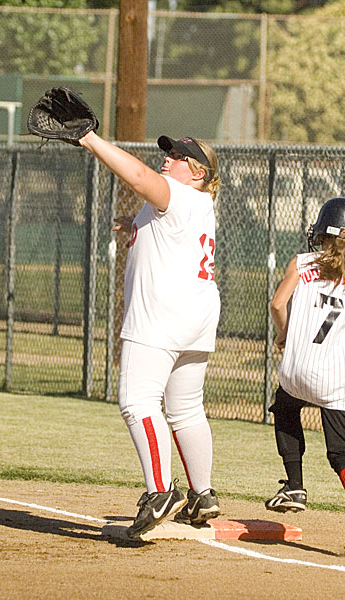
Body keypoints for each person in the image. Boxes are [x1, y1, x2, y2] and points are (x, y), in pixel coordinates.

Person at [78, 131, 222, 538]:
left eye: (179, 156)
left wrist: (90, 139)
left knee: (137, 401)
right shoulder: (197, 203)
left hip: (160, 315)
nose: (168, 159)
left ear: (198, 173)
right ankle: (202, 495)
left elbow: (139, 177)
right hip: (196, 315)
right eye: (169, 152)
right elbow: (168, 229)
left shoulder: (179, 195)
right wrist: (135, 224)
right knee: (185, 408)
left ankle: (161, 491)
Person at [265, 197, 345, 558]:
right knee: (341, 452)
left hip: (297, 370)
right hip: (339, 380)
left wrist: (284, 333)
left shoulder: (301, 263)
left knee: (285, 406)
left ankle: (295, 486)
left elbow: (277, 304)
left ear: (321, 232)